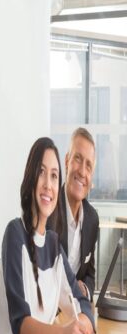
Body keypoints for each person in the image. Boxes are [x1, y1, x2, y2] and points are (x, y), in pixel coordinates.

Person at [0, 134, 100, 334]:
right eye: (41, 172)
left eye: (54, 176)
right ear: (30, 177)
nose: (48, 185)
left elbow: (81, 300)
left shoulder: (53, 245)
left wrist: (81, 323)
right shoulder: (14, 233)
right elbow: (20, 325)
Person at [61, 125, 103, 313]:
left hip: (74, 315)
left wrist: (84, 289)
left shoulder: (92, 219)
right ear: (67, 161)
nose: (82, 172)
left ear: (91, 176)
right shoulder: (48, 207)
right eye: (77, 159)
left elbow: (90, 275)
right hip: (46, 316)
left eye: (89, 165)